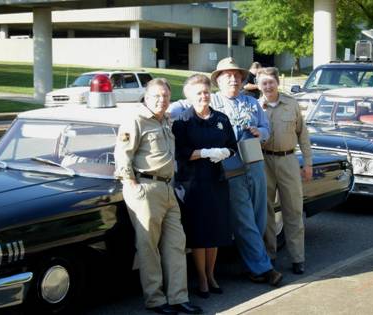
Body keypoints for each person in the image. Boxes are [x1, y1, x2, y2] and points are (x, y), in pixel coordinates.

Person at [114, 78, 203, 315]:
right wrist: (131, 183)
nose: (161, 101)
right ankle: (155, 299)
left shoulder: (166, 120)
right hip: (145, 188)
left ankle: (178, 298)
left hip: (167, 188)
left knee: (176, 244)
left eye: (165, 96)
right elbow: (122, 153)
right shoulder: (136, 120)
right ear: (146, 97)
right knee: (148, 247)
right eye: (156, 96)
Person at [209, 57, 283, 286]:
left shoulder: (252, 102)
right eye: (228, 76)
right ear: (219, 80)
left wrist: (259, 131)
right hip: (231, 167)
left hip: (255, 162)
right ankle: (264, 267)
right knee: (244, 219)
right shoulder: (209, 102)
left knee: (260, 214)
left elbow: (266, 128)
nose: (234, 79)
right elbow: (183, 109)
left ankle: (251, 264)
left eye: (237, 76)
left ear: (242, 80)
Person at [172, 74, 237, 298]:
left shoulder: (221, 118)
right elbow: (180, 153)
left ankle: (211, 274)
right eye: (198, 93)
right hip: (193, 184)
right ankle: (201, 278)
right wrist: (204, 153)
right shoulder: (182, 121)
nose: (203, 96)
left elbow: (232, 145)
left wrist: (225, 153)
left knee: (215, 230)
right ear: (189, 95)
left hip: (216, 181)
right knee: (199, 233)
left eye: (206, 92)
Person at [256, 67, 313, 275]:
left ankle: (298, 258)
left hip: (288, 159)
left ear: (278, 83)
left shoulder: (291, 104)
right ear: (259, 85)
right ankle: (269, 256)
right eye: (264, 83)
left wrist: (308, 163)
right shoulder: (255, 107)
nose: (268, 86)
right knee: (267, 212)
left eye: (271, 81)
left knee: (293, 210)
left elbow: (303, 135)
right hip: (264, 161)